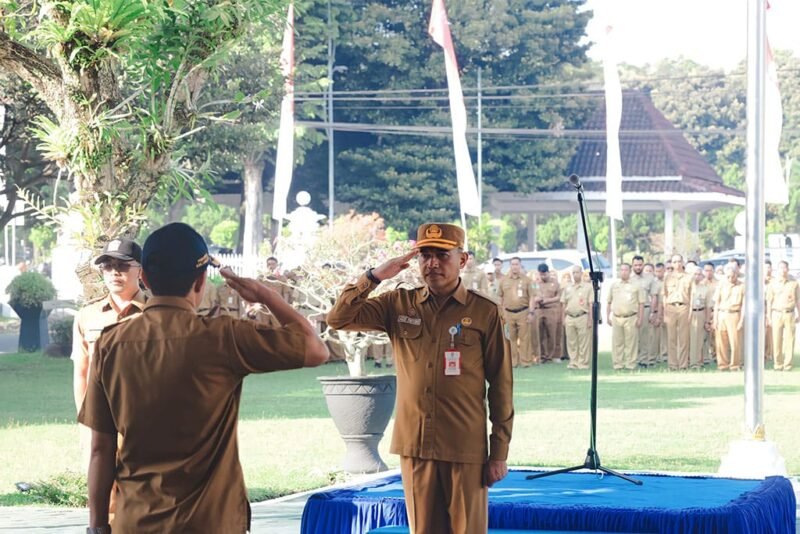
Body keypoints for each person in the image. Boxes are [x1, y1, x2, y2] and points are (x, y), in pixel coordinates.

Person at [78, 223, 329, 533]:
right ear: (200, 281)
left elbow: (101, 449)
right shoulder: (224, 337)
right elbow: (316, 349)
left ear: (143, 277)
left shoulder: (109, 345)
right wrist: (265, 295)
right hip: (210, 522)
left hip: (136, 521)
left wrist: (97, 527)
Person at [327, 223, 513, 534]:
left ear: (463, 260)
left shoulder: (485, 312)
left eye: (442, 255)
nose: (432, 263)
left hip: (464, 445)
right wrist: (374, 277)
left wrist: (499, 452)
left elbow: (502, 384)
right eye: (425, 255)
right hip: (415, 445)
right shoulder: (397, 304)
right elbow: (339, 319)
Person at [72, 238, 147, 473]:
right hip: (101, 422)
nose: (115, 272)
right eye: (107, 265)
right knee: (106, 499)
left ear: (141, 271)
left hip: (147, 422)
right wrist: (86, 424)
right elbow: (81, 374)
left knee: (145, 498)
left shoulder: (157, 313)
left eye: (123, 265)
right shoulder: (87, 316)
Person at [606, 263, 645, 371]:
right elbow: (609, 301)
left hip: (631, 317)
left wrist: (640, 318)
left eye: (626, 270)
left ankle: (630, 364)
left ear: (630, 271)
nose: (623, 272)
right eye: (621, 270)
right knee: (617, 343)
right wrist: (607, 316)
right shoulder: (614, 285)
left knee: (631, 343)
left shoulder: (636, 285)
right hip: (617, 317)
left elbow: (641, 303)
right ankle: (618, 364)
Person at [498, 257, 534, 367]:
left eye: (517, 264)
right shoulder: (503, 280)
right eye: (513, 264)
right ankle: (513, 362)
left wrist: (531, 312)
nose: (515, 266)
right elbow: (500, 296)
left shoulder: (527, 280)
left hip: (523, 312)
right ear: (510, 266)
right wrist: (501, 312)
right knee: (510, 338)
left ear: (520, 265)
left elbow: (532, 297)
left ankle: (525, 361)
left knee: (524, 338)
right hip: (508, 313)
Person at [766, 260, 800, 371]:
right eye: (780, 268)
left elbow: (798, 300)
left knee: (790, 340)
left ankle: (788, 364)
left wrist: (799, 313)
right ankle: (778, 364)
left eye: (784, 268)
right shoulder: (773, 283)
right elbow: (769, 301)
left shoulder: (794, 283)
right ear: (777, 270)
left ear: (788, 269)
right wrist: (769, 316)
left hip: (789, 313)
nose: (782, 270)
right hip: (776, 313)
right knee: (776, 340)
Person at [661, 254, 692, 371]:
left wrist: (690, 311)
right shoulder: (667, 277)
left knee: (684, 338)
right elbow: (664, 295)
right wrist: (664, 312)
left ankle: (683, 364)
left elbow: (692, 295)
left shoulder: (689, 277)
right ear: (671, 264)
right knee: (671, 338)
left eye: (679, 261)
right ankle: (672, 364)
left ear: (683, 263)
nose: (677, 264)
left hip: (684, 307)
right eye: (674, 262)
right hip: (671, 307)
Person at [714, 263, 745, 371]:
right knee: (721, 341)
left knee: (735, 341)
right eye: (728, 276)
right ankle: (723, 364)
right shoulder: (721, 285)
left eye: (732, 276)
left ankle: (735, 365)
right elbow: (717, 303)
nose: (730, 278)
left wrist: (741, 320)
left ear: (737, 275)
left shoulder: (742, 286)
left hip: (734, 314)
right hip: (722, 314)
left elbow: (744, 305)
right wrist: (715, 319)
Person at [561, 265, 592, 369]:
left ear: (581, 273)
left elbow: (590, 304)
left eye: (577, 272)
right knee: (571, 342)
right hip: (569, 317)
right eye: (573, 273)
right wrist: (563, 318)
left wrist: (590, 319)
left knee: (583, 342)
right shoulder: (568, 287)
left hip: (582, 316)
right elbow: (563, 303)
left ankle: (583, 363)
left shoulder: (587, 287)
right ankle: (573, 362)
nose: (575, 275)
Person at [631, 255, 659, 367]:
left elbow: (654, 296)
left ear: (643, 265)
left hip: (646, 310)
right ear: (632, 265)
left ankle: (643, 360)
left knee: (644, 337)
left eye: (640, 265)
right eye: (635, 265)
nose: (638, 267)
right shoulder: (628, 278)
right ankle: (632, 360)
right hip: (632, 311)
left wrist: (652, 312)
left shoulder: (650, 278)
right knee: (632, 337)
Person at [532, 263, 561, 363]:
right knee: (539, 333)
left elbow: (558, 297)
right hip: (539, 310)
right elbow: (531, 296)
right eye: (541, 274)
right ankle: (541, 355)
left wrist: (548, 300)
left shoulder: (555, 282)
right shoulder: (535, 283)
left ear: (548, 272)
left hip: (551, 310)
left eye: (544, 274)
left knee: (551, 333)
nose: (543, 276)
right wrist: (537, 299)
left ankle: (551, 355)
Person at [688, 268, 712, 369]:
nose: (697, 276)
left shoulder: (705, 288)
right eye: (695, 274)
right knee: (688, 339)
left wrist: (707, 321)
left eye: (699, 274)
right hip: (688, 313)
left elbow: (708, 306)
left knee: (699, 338)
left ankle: (697, 362)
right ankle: (688, 361)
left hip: (700, 313)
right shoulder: (687, 287)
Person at [702, 262, 718, 365]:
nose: (708, 273)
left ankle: (716, 356)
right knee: (703, 336)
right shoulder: (701, 283)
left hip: (714, 311)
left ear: (713, 271)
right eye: (706, 270)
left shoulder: (718, 284)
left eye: (710, 270)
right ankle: (705, 358)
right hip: (702, 311)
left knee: (715, 336)